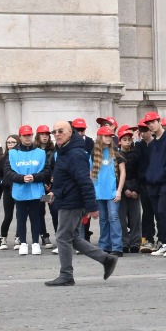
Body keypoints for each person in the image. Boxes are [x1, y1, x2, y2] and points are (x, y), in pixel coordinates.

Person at [45, 121, 117, 287]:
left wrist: (91, 207)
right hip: (67, 199)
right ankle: (106, 259)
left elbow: (85, 181)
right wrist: (55, 192)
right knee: (74, 238)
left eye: (61, 131)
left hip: (72, 202)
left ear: (70, 132)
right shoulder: (63, 150)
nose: (57, 134)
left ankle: (66, 275)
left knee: (63, 237)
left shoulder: (75, 154)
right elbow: (64, 178)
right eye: (54, 132)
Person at [5, 123, 51, 254]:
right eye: (24, 135)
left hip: (36, 189)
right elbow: (7, 172)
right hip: (20, 189)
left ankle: (35, 242)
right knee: (21, 217)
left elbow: (46, 171)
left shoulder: (40, 152)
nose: (27, 137)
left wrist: (34, 177)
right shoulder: (12, 153)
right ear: (20, 136)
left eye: (29, 135)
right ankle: (23, 243)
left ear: (32, 135)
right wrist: (21, 178)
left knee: (36, 217)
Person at [140, 113, 166, 257]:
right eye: (148, 123)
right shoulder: (153, 142)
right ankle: (164, 242)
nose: (151, 125)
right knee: (158, 214)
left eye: (153, 122)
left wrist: (164, 173)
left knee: (164, 212)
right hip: (153, 184)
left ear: (159, 121)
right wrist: (150, 177)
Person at [90, 124, 126, 257]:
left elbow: (123, 173)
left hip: (112, 192)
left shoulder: (116, 152)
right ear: (100, 137)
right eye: (106, 136)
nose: (109, 138)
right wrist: (92, 191)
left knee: (113, 217)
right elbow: (91, 173)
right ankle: (104, 245)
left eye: (110, 136)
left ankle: (117, 247)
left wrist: (119, 190)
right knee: (103, 219)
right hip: (99, 191)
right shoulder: (94, 154)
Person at [118, 126, 146, 253]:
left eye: (129, 139)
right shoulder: (117, 155)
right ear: (120, 141)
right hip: (121, 189)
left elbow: (140, 173)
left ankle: (135, 242)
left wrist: (136, 190)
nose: (127, 142)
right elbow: (117, 174)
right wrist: (124, 189)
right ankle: (124, 241)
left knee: (135, 217)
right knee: (121, 218)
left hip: (135, 188)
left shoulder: (136, 155)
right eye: (124, 140)